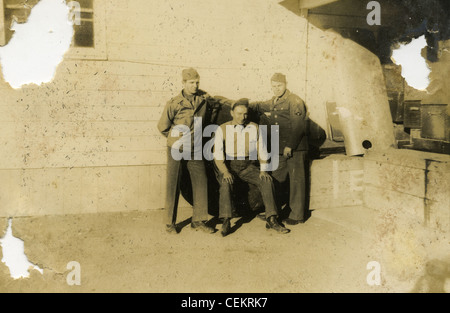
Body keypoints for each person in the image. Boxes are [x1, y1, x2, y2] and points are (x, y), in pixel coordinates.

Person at [157, 68, 226, 234]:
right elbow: (162, 127)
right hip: (177, 148)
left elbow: (213, 101)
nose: (194, 86)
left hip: (195, 148)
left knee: (201, 181)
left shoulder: (202, 99)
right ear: (183, 83)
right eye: (191, 83)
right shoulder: (174, 103)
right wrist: (176, 139)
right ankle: (169, 223)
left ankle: (199, 221)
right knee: (173, 184)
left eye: (197, 83)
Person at [213, 99, 290, 237]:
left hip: (248, 166)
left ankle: (272, 219)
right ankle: (226, 220)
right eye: (239, 113)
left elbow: (262, 149)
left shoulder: (254, 127)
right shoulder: (222, 129)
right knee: (226, 184)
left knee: (267, 180)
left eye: (245, 114)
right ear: (231, 113)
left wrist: (263, 169)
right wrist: (225, 172)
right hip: (230, 165)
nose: (242, 117)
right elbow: (217, 153)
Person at [250, 73, 309, 225]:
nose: (276, 89)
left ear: (285, 84)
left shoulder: (294, 100)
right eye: (274, 86)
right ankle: (273, 212)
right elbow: (259, 105)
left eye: (279, 86)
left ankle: (297, 215)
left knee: (297, 181)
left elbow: (299, 125)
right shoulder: (274, 101)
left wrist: (291, 145)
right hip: (280, 149)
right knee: (275, 177)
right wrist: (243, 104)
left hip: (294, 148)